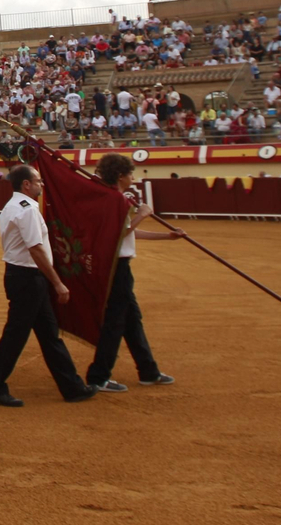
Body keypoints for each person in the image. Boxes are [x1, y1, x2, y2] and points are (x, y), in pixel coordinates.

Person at [0, 164, 96, 406]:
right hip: (28, 278)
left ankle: (72, 386)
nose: (42, 185)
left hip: (24, 277)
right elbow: (36, 249)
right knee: (17, 336)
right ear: (26, 184)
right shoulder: (27, 210)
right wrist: (57, 283)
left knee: (48, 334)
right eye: (38, 181)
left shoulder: (13, 206)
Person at [86, 154, 184, 392]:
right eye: (130, 173)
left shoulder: (113, 199)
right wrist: (141, 215)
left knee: (131, 320)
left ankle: (148, 370)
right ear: (121, 176)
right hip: (115, 269)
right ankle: (98, 376)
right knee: (115, 322)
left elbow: (128, 233)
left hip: (119, 267)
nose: (133, 177)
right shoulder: (115, 200)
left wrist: (168, 236)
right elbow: (117, 235)